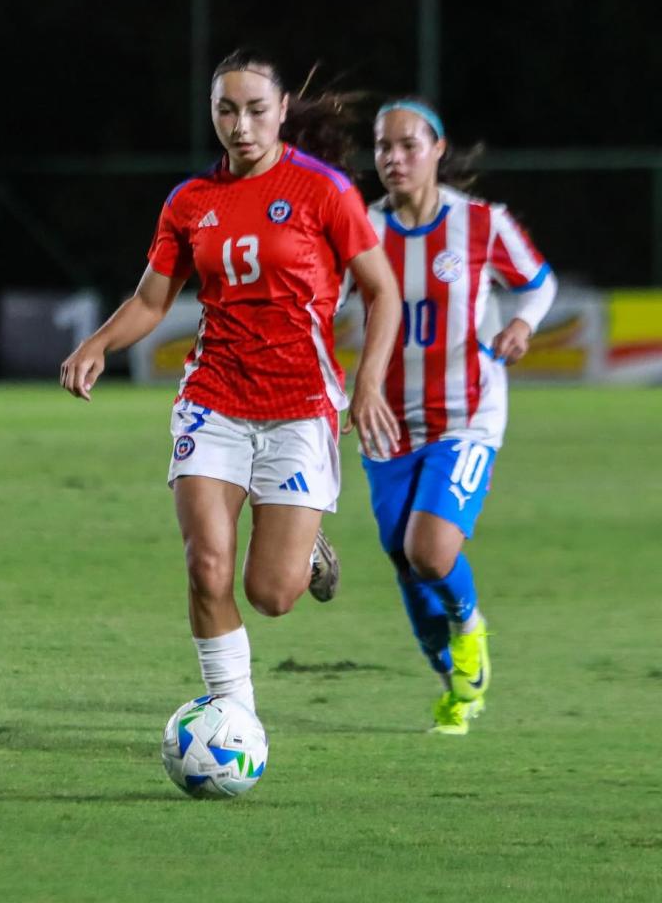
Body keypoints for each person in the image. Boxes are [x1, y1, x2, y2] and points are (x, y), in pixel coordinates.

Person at [60, 49, 401, 716]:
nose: (240, 124)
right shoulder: (191, 203)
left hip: (300, 406)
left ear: (280, 112)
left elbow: (382, 292)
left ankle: (301, 553)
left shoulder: (324, 190)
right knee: (206, 568)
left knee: (270, 594)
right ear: (211, 114)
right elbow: (153, 302)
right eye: (225, 109)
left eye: (254, 109)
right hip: (213, 400)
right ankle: (231, 718)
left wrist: (367, 385)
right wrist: (98, 341)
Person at [358, 97, 557, 735]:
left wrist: (523, 322)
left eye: (408, 144)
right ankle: (452, 679)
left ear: (438, 149)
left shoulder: (481, 224)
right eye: (383, 146)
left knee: (429, 549)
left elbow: (539, 280)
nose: (393, 157)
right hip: (387, 422)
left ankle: (470, 626)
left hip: (466, 414)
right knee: (403, 557)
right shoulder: (362, 229)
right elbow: (319, 300)